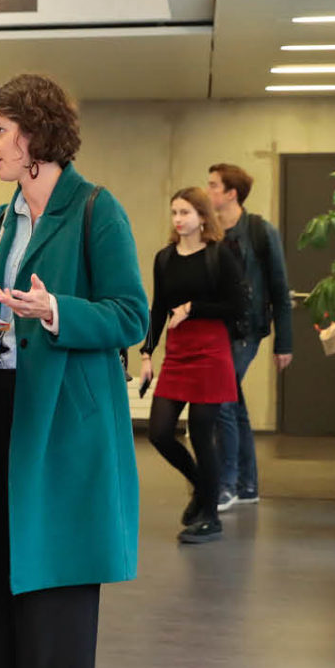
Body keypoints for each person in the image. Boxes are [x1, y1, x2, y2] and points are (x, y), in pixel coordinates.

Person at [0, 74, 145, 668]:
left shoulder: (97, 211)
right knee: (2, 584)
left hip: (65, 428)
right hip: (1, 412)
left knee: (58, 588)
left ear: (36, 133)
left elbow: (130, 312)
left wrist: (55, 310)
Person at [137, 187, 248, 544]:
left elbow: (237, 306)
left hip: (212, 351)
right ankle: (203, 488)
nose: (178, 219)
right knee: (160, 432)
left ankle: (210, 517)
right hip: (179, 351)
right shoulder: (164, 258)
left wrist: (192, 308)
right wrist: (146, 352)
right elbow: (157, 308)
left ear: (203, 217)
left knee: (202, 431)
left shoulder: (220, 256)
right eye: (174, 212)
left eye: (185, 212)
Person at [205, 163, 293, 510]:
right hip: (217, 329)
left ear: (231, 194)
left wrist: (284, 342)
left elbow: (280, 288)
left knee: (222, 400)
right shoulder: (211, 232)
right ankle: (247, 485)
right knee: (233, 404)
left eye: (213, 185)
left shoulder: (259, 231)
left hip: (247, 331)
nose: (208, 190)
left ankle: (226, 484)